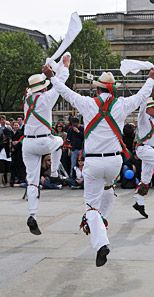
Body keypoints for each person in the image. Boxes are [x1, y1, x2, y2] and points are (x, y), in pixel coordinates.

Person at [43, 61, 154, 267]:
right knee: (107, 188)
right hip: (114, 161)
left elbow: (65, 92)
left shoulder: (87, 103)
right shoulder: (122, 104)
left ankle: (101, 240)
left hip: (94, 162)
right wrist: (151, 77)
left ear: (97, 88)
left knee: (91, 206)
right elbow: (142, 96)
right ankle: (102, 220)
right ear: (112, 90)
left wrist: (52, 76)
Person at [22, 54, 70, 236]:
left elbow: (31, 89)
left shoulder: (27, 100)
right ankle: (55, 172)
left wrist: (48, 69)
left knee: (32, 181)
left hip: (27, 143)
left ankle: (32, 214)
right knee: (59, 141)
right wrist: (63, 66)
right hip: (44, 141)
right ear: (43, 87)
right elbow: (61, 83)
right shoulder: (47, 98)